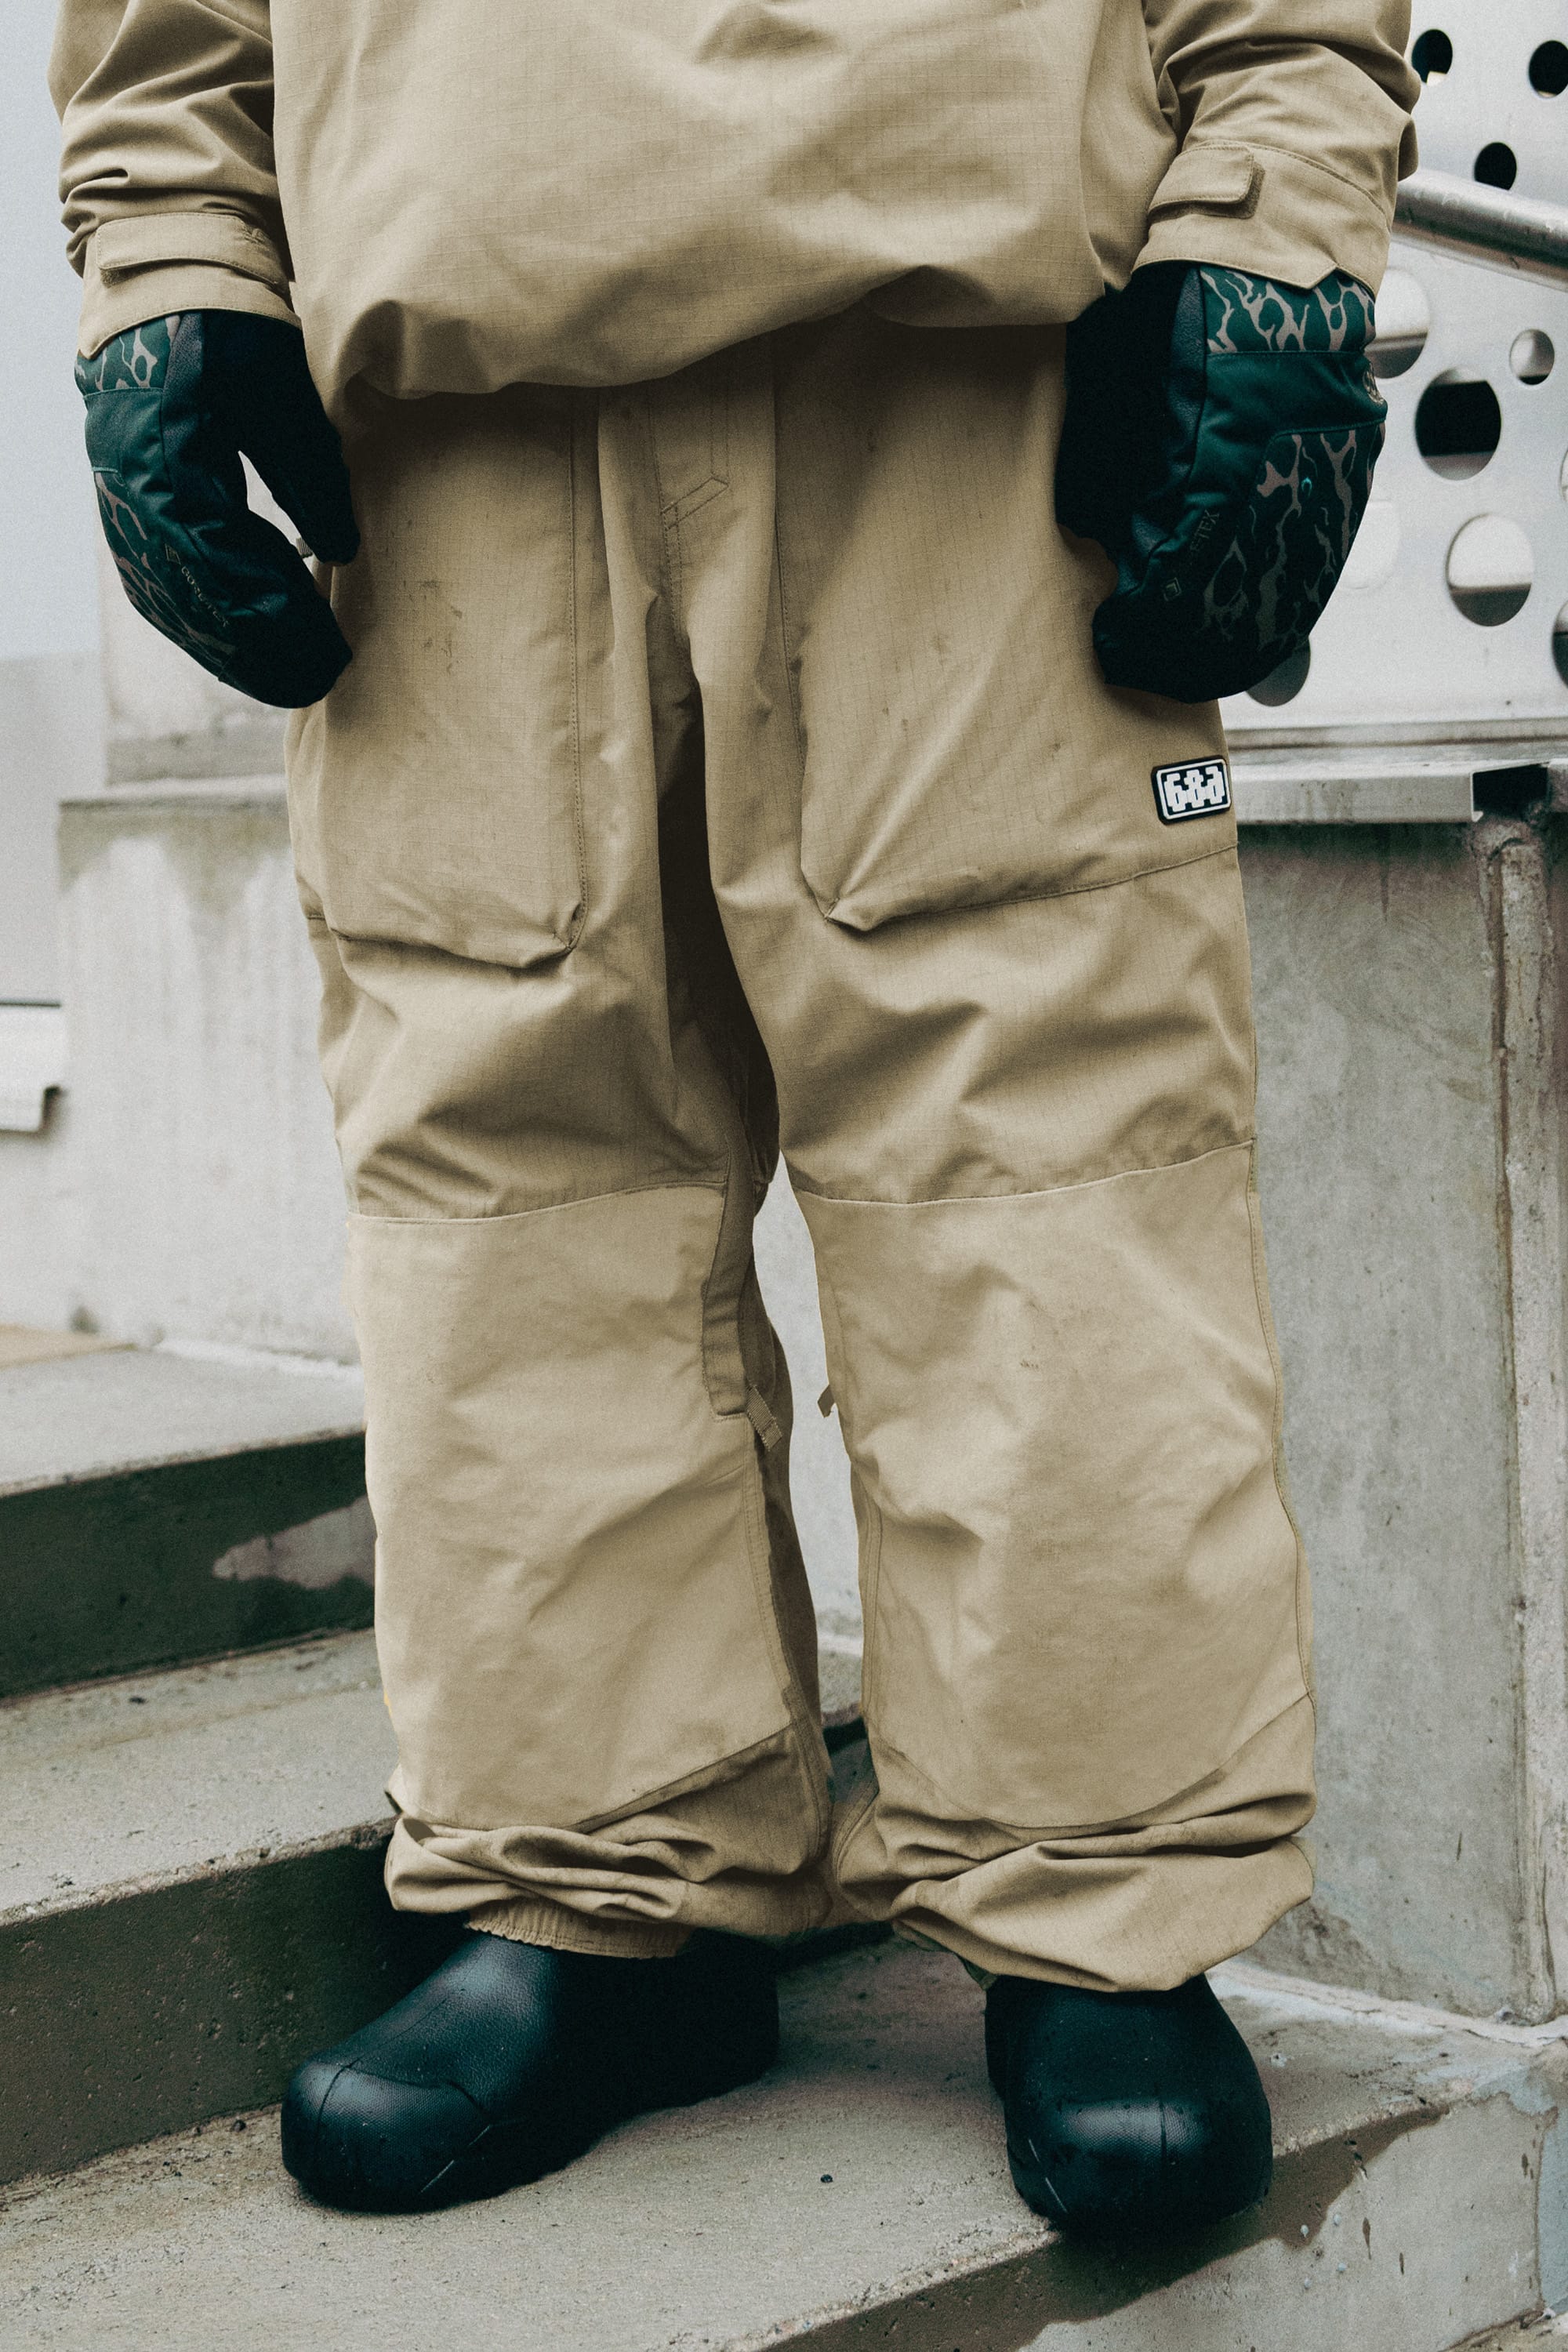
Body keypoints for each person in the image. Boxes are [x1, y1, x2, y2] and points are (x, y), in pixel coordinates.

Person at [53, 0, 1417, 2235]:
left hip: (970, 355)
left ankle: (1100, 1914)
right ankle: (605, 1885)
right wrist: (171, 266)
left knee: (1046, 1153)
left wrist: (1272, 220)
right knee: (508, 1172)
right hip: (443, 397)